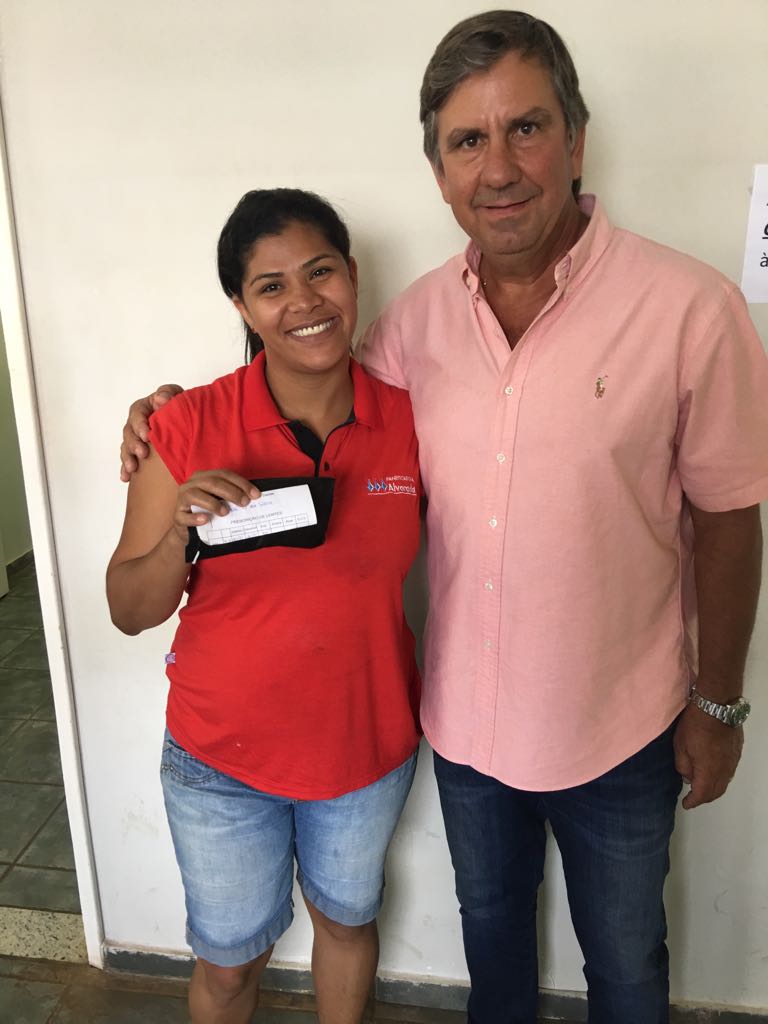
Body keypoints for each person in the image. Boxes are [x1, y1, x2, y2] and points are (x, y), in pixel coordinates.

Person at [119, 11, 768, 1024]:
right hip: (466, 735)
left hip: (623, 729)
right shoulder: (410, 328)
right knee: (492, 958)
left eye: (526, 128)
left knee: (628, 966)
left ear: (576, 139)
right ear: (439, 172)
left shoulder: (690, 307)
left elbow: (730, 517)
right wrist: (164, 416)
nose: (499, 167)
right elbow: (303, 370)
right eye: (469, 140)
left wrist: (718, 704)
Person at [107, 188, 423, 1024]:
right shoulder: (187, 424)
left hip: (365, 746)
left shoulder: (410, 419)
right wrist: (179, 535)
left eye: (321, 272)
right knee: (229, 965)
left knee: (347, 925)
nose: (304, 301)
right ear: (242, 307)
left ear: (353, 276)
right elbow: (128, 607)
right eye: (272, 286)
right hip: (219, 761)